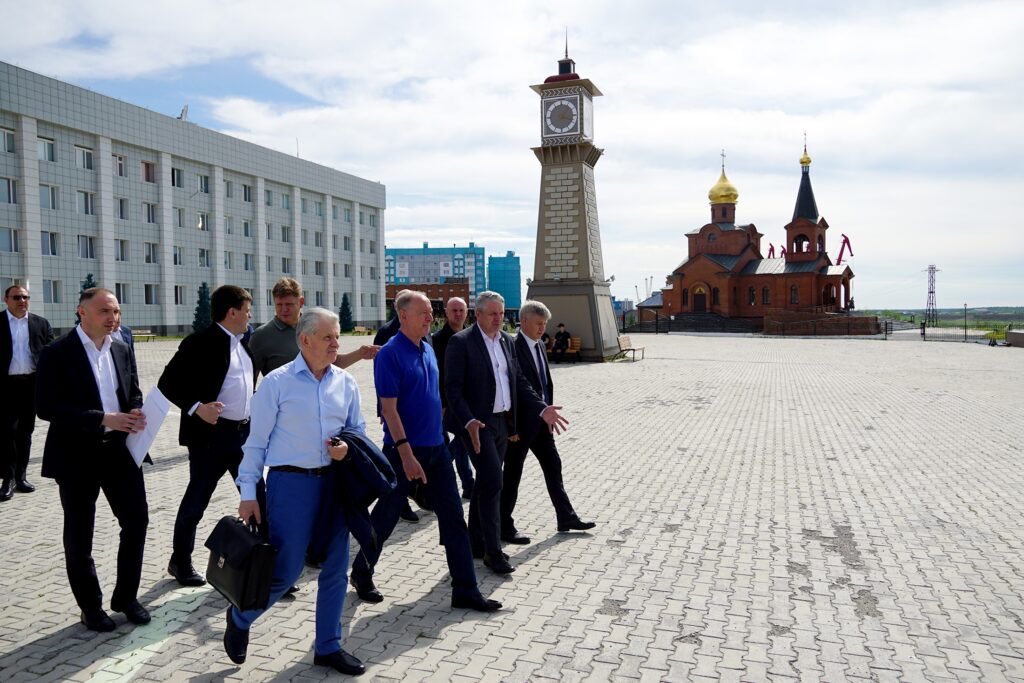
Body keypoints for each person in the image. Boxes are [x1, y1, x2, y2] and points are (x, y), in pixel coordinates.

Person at [224, 308, 366, 674]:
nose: (337, 344)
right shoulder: (276, 382)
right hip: (291, 485)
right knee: (286, 573)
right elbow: (255, 444)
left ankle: (328, 646)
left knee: (336, 568)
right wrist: (248, 493)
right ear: (305, 340)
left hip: (336, 485)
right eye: (329, 337)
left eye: (337, 337)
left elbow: (359, 431)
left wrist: (348, 449)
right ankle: (240, 618)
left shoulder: (345, 383)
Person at [349, 291, 501, 611]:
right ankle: (362, 571)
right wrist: (405, 454)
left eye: (431, 312)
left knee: (453, 517)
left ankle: (465, 589)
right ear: (403, 316)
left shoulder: (429, 348)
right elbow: (388, 411)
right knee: (387, 517)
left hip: (437, 450)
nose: (430, 317)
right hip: (403, 451)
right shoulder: (390, 354)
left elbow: (436, 395)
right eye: (423, 313)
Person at [35, 288, 150, 631]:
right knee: (79, 534)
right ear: (81, 312)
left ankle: (126, 597)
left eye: (116, 311)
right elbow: (46, 407)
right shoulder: (57, 352)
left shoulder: (121, 346)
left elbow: (133, 390)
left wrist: (135, 410)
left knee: (137, 522)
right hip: (76, 456)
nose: (113, 318)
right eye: (105, 311)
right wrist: (102, 417)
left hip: (119, 451)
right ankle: (91, 607)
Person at [444, 291, 567, 574]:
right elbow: (452, 389)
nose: (499, 319)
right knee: (493, 481)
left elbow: (520, 382)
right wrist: (468, 420)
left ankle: (474, 542)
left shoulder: (507, 343)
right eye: (492, 314)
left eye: (501, 313)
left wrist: (541, 408)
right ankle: (493, 551)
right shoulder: (460, 343)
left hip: (502, 424)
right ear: (478, 315)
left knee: (486, 484)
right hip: (478, 424)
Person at [158, 285, 267, 587]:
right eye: (247, 310)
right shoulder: (200, 342)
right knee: (197, 501)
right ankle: (180, 562)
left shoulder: (243, 343)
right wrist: (196, 408)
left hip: (242, 436)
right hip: (210, 438)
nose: (250, 315)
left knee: (258, 496)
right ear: (232, 312)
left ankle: (263, 564)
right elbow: (168, 382)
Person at [501, 301, 596, 543]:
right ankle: (503, 524)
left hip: (543, 424)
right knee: (512, 475)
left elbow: (544, 384)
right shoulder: (512, 347)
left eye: (545, 324)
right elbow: (513, 389)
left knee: (554, 467)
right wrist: (511, 427)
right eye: (538, 324)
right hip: (520, 427)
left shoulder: (541, 346)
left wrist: (548, 413)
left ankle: (566, 516)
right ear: (523, 322)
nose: (543, 328)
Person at [249, 277, 377, 377]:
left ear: (301, 302)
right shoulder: (261, 336)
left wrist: (360, 354)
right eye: (279, 305)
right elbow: (249, 381)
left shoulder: (316, 326)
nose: (284, 310)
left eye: (289, 304)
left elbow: (331, 363)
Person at [374, 292, 426, 524]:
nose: (428, 317)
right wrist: (383, 409)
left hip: (421, 416)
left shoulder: (424, 335)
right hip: (394, 408)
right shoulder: (387, 333)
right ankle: (399, 499)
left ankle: (407, 491)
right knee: (393, 454)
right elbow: (381, 376)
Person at [1, 285, 53, 500]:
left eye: (25, 297)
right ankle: (7, 478)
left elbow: (51, 355)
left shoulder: (40, 323)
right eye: (17, 297)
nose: (22, 300)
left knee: (25, 432)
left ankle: (21, 476)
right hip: (5, 387)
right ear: (6, 299)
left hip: (31, 386)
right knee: (7, 433)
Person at [431, 297, 474, 498]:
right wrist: (444, 403)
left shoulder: (472, 336)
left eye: (461, 310)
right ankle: (438, 478)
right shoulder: (438, 339)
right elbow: (439, 374)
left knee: (463, 439)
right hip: (446, 403)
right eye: (454, 310)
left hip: (467, 400)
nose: (458, 314)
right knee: (459, 440)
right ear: (446, 313)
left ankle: (467, 483)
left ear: (467, 312)